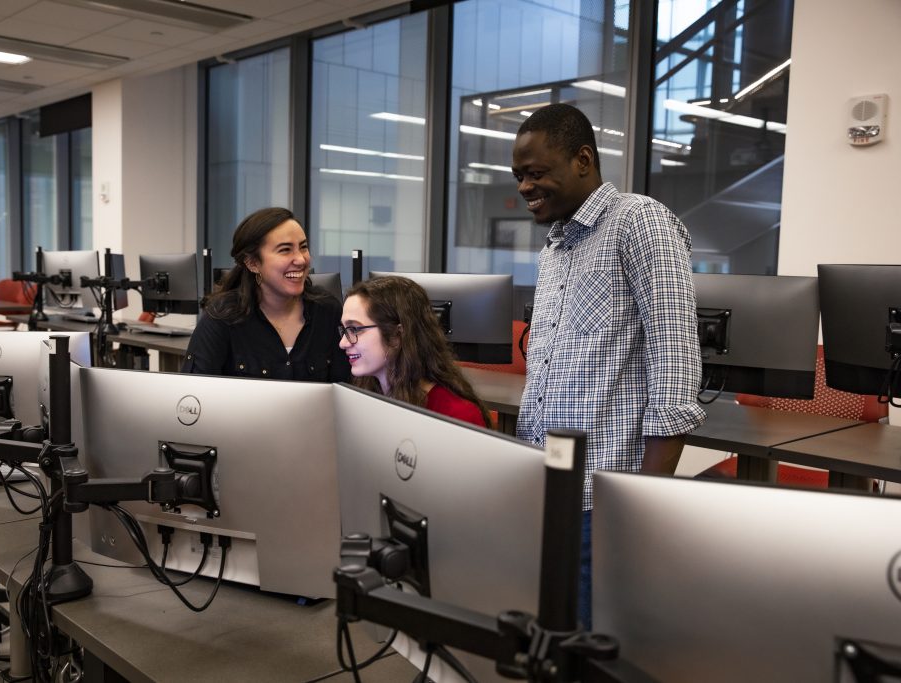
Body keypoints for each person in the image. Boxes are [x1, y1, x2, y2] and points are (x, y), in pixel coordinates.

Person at [511, 103, 705, 628]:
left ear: (582, 159)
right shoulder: (555, 244)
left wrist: (641, 508)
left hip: (605, 496)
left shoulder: (640, 222)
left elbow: (675, 376)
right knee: (554, 637)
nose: (525, 187)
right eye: (518, 176)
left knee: (596, 646)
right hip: (550, 483)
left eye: (536, 172)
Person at [183, 207, 351, 383]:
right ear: (253, 263)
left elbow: (345, 389)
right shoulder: (222, 317)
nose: (301, 259)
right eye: (285, 250)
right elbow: (194, 394)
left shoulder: (327, 311)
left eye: (303, 247)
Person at [339, 276, 491, 428]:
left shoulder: (458, 416)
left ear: (397, 335)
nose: (343, 343)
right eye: (344, 330)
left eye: (355, 329)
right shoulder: (366, 398)